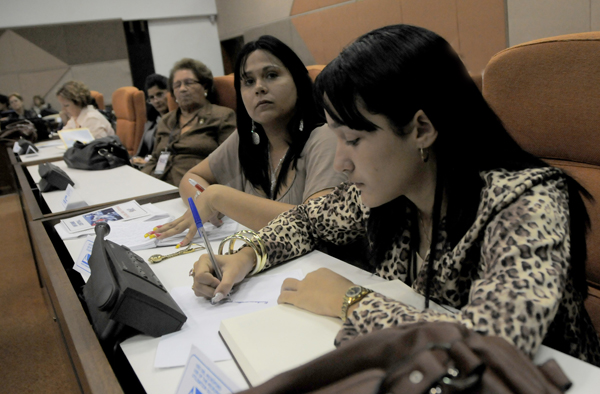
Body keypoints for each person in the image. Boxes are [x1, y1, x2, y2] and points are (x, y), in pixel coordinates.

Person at [190, 25, 600, 366]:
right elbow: (306, 220)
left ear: (421, 129)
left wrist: (352, 301)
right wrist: (245, 257)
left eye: (352, 139)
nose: (340, 163)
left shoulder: (528, 201)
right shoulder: (392, 189)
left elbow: (490, 350)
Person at [148, 35, 346, 246]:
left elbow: (319, 225)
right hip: (254, 258)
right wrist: (204, 201)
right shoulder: (246, 139)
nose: (259, 88)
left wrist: (219, 198)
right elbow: (191, 177)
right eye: (248, 82)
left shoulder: (325, 137)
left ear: (298, 80)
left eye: (271, 75)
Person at [141, 58, 236, 187]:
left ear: (205, 86)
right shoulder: (166, 120)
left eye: (188, 83)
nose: (182, 89)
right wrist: (140, 185)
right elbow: (155, 158)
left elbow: (230, 163)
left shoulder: (222, 116)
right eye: (177, 85)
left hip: (195, 189)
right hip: (159, 186)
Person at [131, 73, 170, 167]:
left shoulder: (177, 121)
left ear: (170, 93)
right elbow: (140, 152)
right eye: (152, 98)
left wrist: (148, 164)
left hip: (161, 169)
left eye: (159, 94)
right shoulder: (152, 121)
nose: (156, 101)